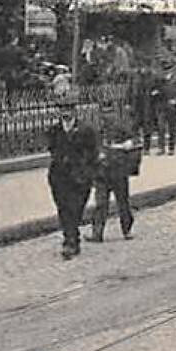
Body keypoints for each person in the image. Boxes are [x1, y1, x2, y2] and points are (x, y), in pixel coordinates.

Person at [47, 93, 99, 259]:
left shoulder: (86, 129)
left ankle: (71, 238)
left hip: (80, 177)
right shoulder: (54, 130)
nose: (65, 112)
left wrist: (87, 170)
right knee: (63, 208)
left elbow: (93, 152)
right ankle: (70, 240)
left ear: (74, 110)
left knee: (76, 209)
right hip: (60, 177)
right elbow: (52, 149)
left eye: (68, 108)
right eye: (62, 109)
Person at [91, 103, 139, 243]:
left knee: (122, 202)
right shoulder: (95, 130)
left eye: (109, 113)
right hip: (102, 171)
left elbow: (135, 139)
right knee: (101, 203)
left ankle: (127, 229)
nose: (107, 117)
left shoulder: (121, 127)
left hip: (118, 170)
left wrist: (128, 143)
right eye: (104, 113)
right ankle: (97, 233)